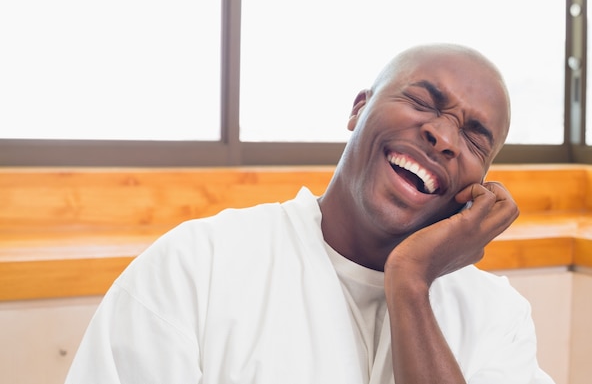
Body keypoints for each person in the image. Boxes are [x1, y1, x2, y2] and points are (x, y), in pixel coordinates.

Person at [65, 43, 555, 384]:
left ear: (482, 183)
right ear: (359, 109)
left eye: (473, 137)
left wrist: (410, 281)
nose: (444, 138)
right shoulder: (196, 266)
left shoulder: (497, 316)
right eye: (423, 101)